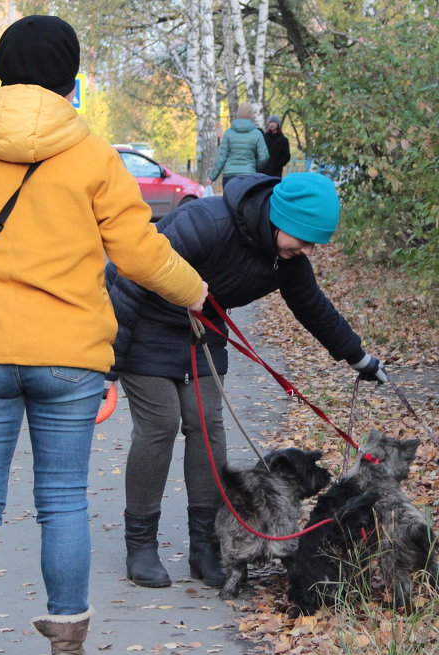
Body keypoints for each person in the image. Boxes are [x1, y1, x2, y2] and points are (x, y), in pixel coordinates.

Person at [0, 15, 206, 655]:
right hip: (69, 357)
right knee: (61, 503)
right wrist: (196, 292)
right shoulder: (92, 155)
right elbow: (140, 254)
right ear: (69, 77)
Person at [106, 171, 387, 590]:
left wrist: (358, 357)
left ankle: (205, 546)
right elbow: (124, 278)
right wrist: (107, 366)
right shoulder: (205, 223)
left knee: (208, 431)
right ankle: (141, 546)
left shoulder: (285, 259)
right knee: (160, 427)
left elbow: (314, 309)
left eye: (313, 244)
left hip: (203, 337)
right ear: (280, 218)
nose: (306, 250)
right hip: (146, 329)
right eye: (303, 239)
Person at [208, 102, 268, 191]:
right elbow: (264, 157)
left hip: (229, 177)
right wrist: (255, 166)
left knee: (229, 203)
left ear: (238, 114)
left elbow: (221, 157)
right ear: (251, 116)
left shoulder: (228, 133)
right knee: (247, 204)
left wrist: (212, 177)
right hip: (249, 176)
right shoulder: (257, 134)